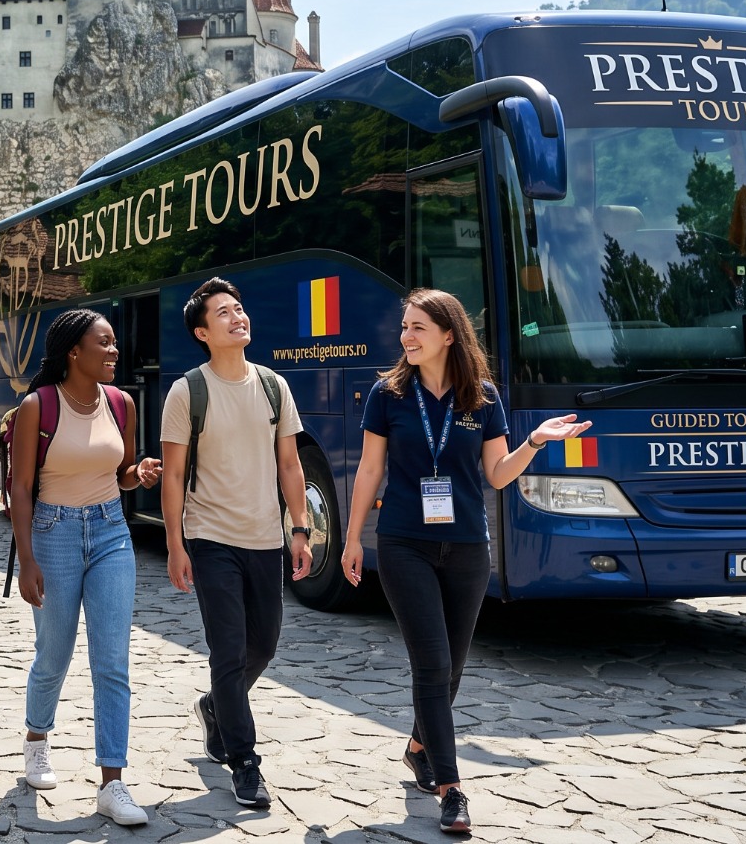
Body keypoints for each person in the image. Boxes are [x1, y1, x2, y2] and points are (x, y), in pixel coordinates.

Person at [341, 288, 589, 836]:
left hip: (468, 549)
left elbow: (498, 475)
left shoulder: (483, 397)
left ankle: (417, 745)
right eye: (404, 327)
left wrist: (536, 443)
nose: (406, 337)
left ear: (449, 335)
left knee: (450, 668)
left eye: (418, 328)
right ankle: (451, 791)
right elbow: (368, 470)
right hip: (404, 544)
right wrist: (353, 537)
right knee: (431, 664)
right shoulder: (388, 395)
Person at [159, 278, 311, 810]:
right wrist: (176, 545)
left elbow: (289, 463)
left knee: (262, 646)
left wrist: (300, 528)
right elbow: (173, 477)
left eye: (239, 308)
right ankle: (245, 762)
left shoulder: (273, 386)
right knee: (227, 649)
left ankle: (215, 707)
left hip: (266, 538)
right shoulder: (187, 392)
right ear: (203, 332)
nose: (237, 317)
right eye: (223, 313)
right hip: (210, 538)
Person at [9, 309, 162, 828]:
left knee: (112, 661)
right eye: (105, 343)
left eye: (115, 343)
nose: (115, 351)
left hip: (111, 533)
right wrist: (27, 558)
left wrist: (135, 473)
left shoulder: (121, 404)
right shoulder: (39, 407)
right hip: (53, 535)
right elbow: (20, 487)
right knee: (54, 653)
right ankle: (36, 738)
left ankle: (112, 782)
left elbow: (118, 472)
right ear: (75, 351)